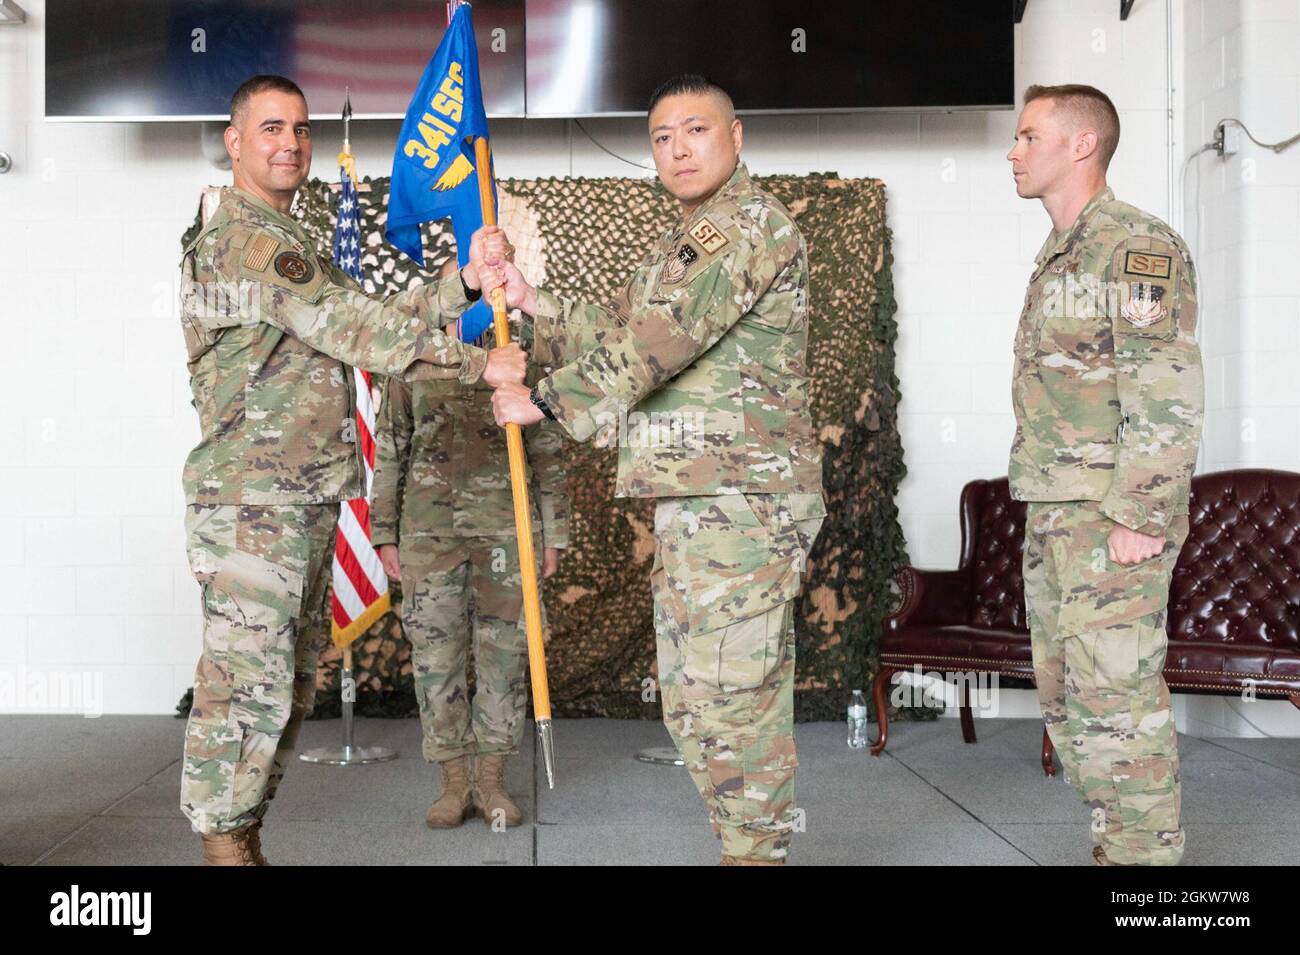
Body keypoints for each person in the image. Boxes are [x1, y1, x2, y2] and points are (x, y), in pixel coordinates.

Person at [177, 74, 525, 865]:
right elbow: (357, 330)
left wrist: (461, 283)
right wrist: (484, 367)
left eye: (299, 129)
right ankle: (224, 847)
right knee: (246, 688)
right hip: (251, 503)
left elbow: (365, 316)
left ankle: (242, 836)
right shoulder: (247, 239)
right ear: (235, 142)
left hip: (298, 498)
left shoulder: (289, 240)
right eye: (270, 128)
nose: (290, 143)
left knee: (286, 685)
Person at [480, 74, 825, 865]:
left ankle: (756, 856)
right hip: (703, 500)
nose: (678, 149)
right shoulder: (694, 238)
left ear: (736, 138)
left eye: (696, 130)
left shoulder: (742, 225)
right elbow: (636, 329)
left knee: (733, 699)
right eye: (663, 137)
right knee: (699, 698)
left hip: (741, 502)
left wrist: (546, 399)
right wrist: (537, 302)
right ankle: (745, 850)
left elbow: (660, 340)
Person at [1006, 84, 1204, 865]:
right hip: (1054, 509)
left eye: (1028, 136)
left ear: (1080, 145)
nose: (1013, 151)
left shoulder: (1135, 248)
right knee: (1068, 701)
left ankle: (1146, 872)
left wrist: (1141, 516)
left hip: (1109, 518)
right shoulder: (1062, 252)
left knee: (1119, 704)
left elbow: (1167, 393)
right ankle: (1118, 852)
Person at [372, 260, 569, 830]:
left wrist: (552, 531)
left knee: (506, 654)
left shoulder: (522, 343)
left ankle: (492, 782)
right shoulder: (414, 348)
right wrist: (385, 531)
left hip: (508, 524)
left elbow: (549, 444)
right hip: (428, 529)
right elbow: (391, 443)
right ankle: (453, 783)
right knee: (436, 657)